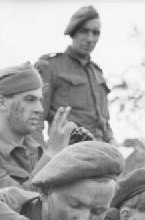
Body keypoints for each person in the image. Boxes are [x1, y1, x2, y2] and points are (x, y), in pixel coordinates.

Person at [0, 62, 77, 189]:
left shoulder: (36, 151)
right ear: (2, 103)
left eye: (40, 101)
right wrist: (52, 155)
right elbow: (21, 204)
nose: (39, 109)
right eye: (30, 100)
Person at [34, 5, 114, 144]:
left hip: (100, 149)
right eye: (84, 31)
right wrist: (38, 154)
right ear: (73, 33)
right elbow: (36, 118)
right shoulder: (50, 66)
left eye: (95, 33)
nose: (90, 38)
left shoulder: (97, 72)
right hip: (68, 148)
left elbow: (104, 121)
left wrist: (112, 141)